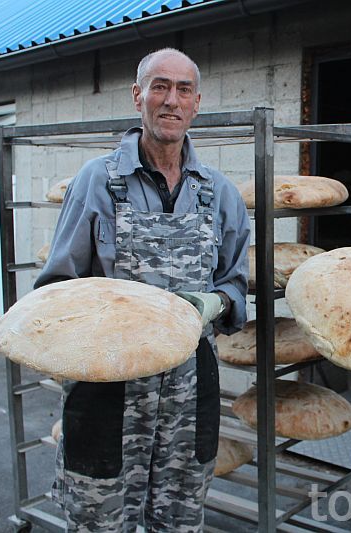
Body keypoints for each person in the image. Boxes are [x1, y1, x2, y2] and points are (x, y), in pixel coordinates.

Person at [34, 48, 250, 531]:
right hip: (108, 393)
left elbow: (235, 285)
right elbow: (56, 290)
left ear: (197, 103)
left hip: (190, 394)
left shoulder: (220, 193)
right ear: (138, 96)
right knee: (101, 519)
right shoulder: (97, 182)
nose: (171, 100)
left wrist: (213, 301)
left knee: (178, 520)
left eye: (183, 89)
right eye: (159, 86)